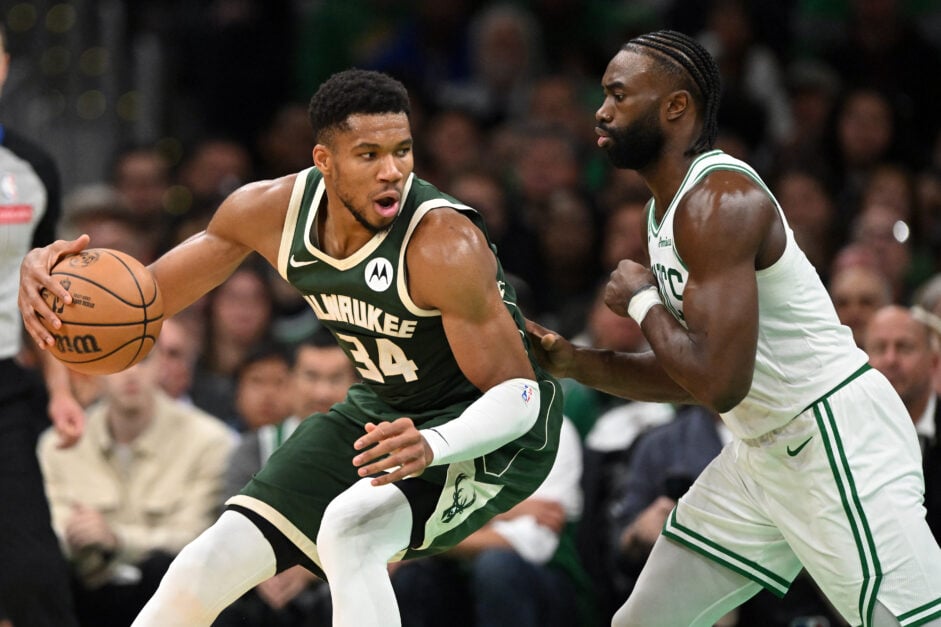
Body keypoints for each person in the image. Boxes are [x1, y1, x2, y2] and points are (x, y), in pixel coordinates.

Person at [19, 68, 562, 627]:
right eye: (369, 154)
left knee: (350, 531)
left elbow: (520, 396)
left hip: (488, 433)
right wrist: (50, 285)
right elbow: (143, 300)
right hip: (383, 412)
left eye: (403, 151)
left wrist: (433, 442)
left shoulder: (443, 243)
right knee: (204, 563)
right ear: (324, 161)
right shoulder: (268, 212)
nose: (392, 171)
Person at [526, 30, 941, 626]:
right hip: (763, 452)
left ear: (675, 107)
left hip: (833, 438)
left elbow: (720, 384)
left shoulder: (720, 198)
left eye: (618, 94)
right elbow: (697, 372)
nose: (602, 110)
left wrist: (644, 301)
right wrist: (575, 363)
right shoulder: (663, 212)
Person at [37, 349, 236, 627]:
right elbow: (51, 533)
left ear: (162, 366)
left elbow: (195, 537)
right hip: (84, 592)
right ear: (96, 372)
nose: (131, 373)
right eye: (117, 361)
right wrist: (80, 537)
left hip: (169, 598)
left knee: (165, 568)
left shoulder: (209, 441)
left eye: (143, 360)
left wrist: (117, 539)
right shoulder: (59, 445)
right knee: (39, 571)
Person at [0, 21, 83, 627]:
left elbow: (46, 289)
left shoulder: (32, 168)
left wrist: (60, 390)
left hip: (6, 387)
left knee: (34, 577)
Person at [864, 305, 941, 543]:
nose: (890, 359)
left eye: (904, 347)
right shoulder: (846, 434)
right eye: (879, 348)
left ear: (933, 360)